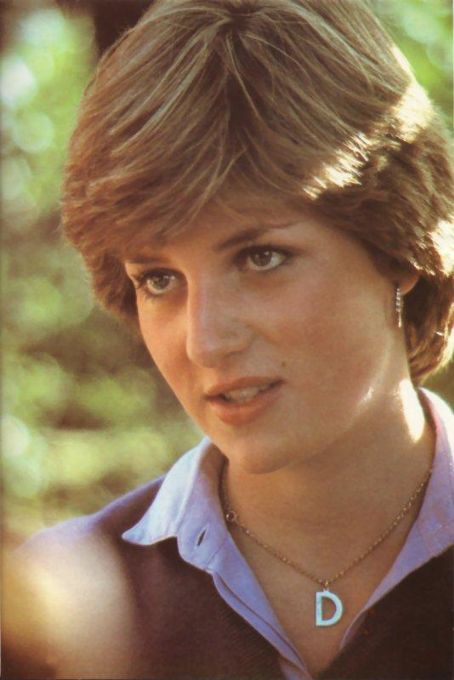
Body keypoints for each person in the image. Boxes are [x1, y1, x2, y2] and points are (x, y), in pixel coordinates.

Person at [4, 1, 453, 678]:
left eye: (261, 258)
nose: (205, 341)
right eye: (159, 279)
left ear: (397, 248)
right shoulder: (56, 613)